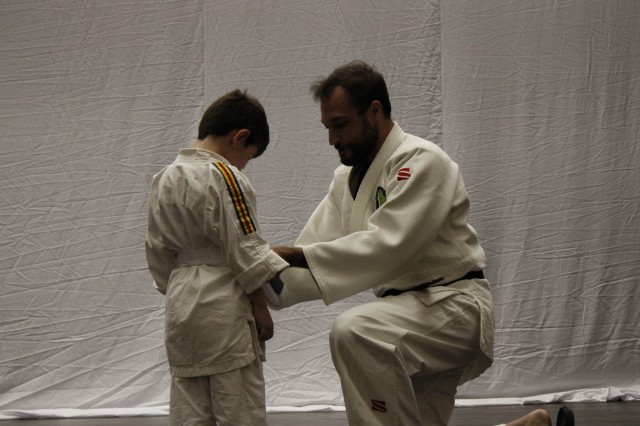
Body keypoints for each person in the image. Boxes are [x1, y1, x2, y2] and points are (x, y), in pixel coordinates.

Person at [266, 60, 495, 426]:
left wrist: (293, 255)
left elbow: (392, 245)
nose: (332, 139)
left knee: (356, 330)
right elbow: (312, 255)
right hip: (409, 317)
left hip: (453, 306)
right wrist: (258, 279)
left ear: (374, 111)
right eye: (327, 127)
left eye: (340, 124)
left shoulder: (423, 160)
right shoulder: (345, 180)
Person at [145, 89, 288, 425]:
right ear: (240, 137)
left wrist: (175, 285)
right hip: (224, 304)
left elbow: (156, 249)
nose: (243, 164)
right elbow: (246, 247)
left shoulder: (163, 178)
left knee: (189, 408)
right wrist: (261, 307)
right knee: (239, 407)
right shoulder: (225, 177)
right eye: (248, 156)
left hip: (181, 302)